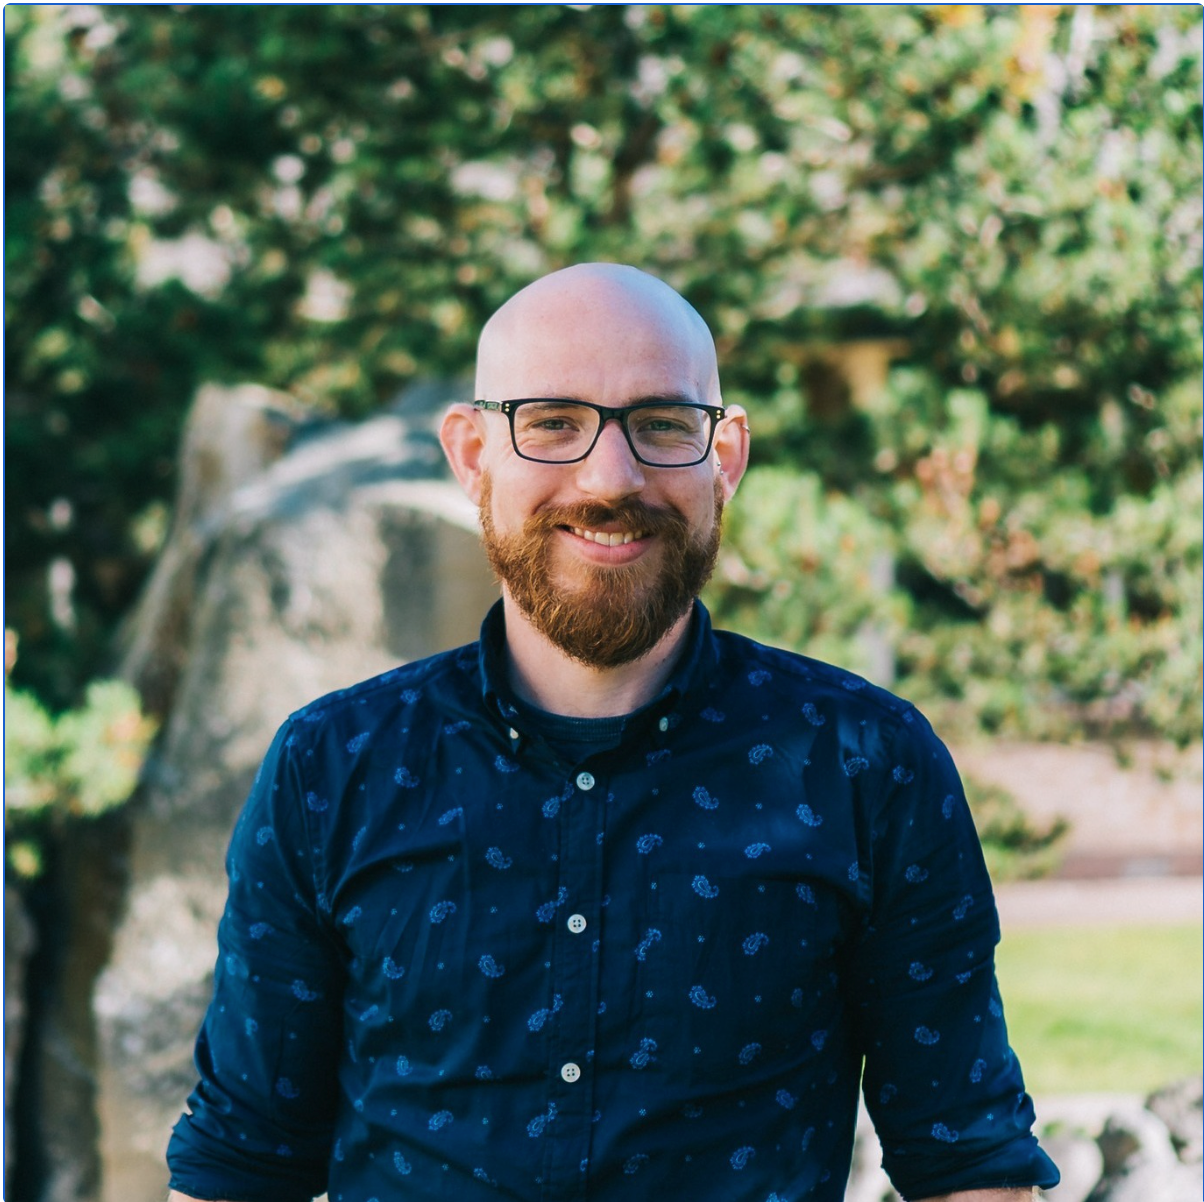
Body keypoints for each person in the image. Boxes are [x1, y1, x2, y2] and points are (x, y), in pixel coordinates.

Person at [167, 264, 1059, 1202]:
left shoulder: (868, 766)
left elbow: (968, 1161)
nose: (611, 477)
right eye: (552, 422)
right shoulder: (331, 768)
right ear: (472, 455)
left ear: (726, 456)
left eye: (662, 425)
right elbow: (241, 1161)